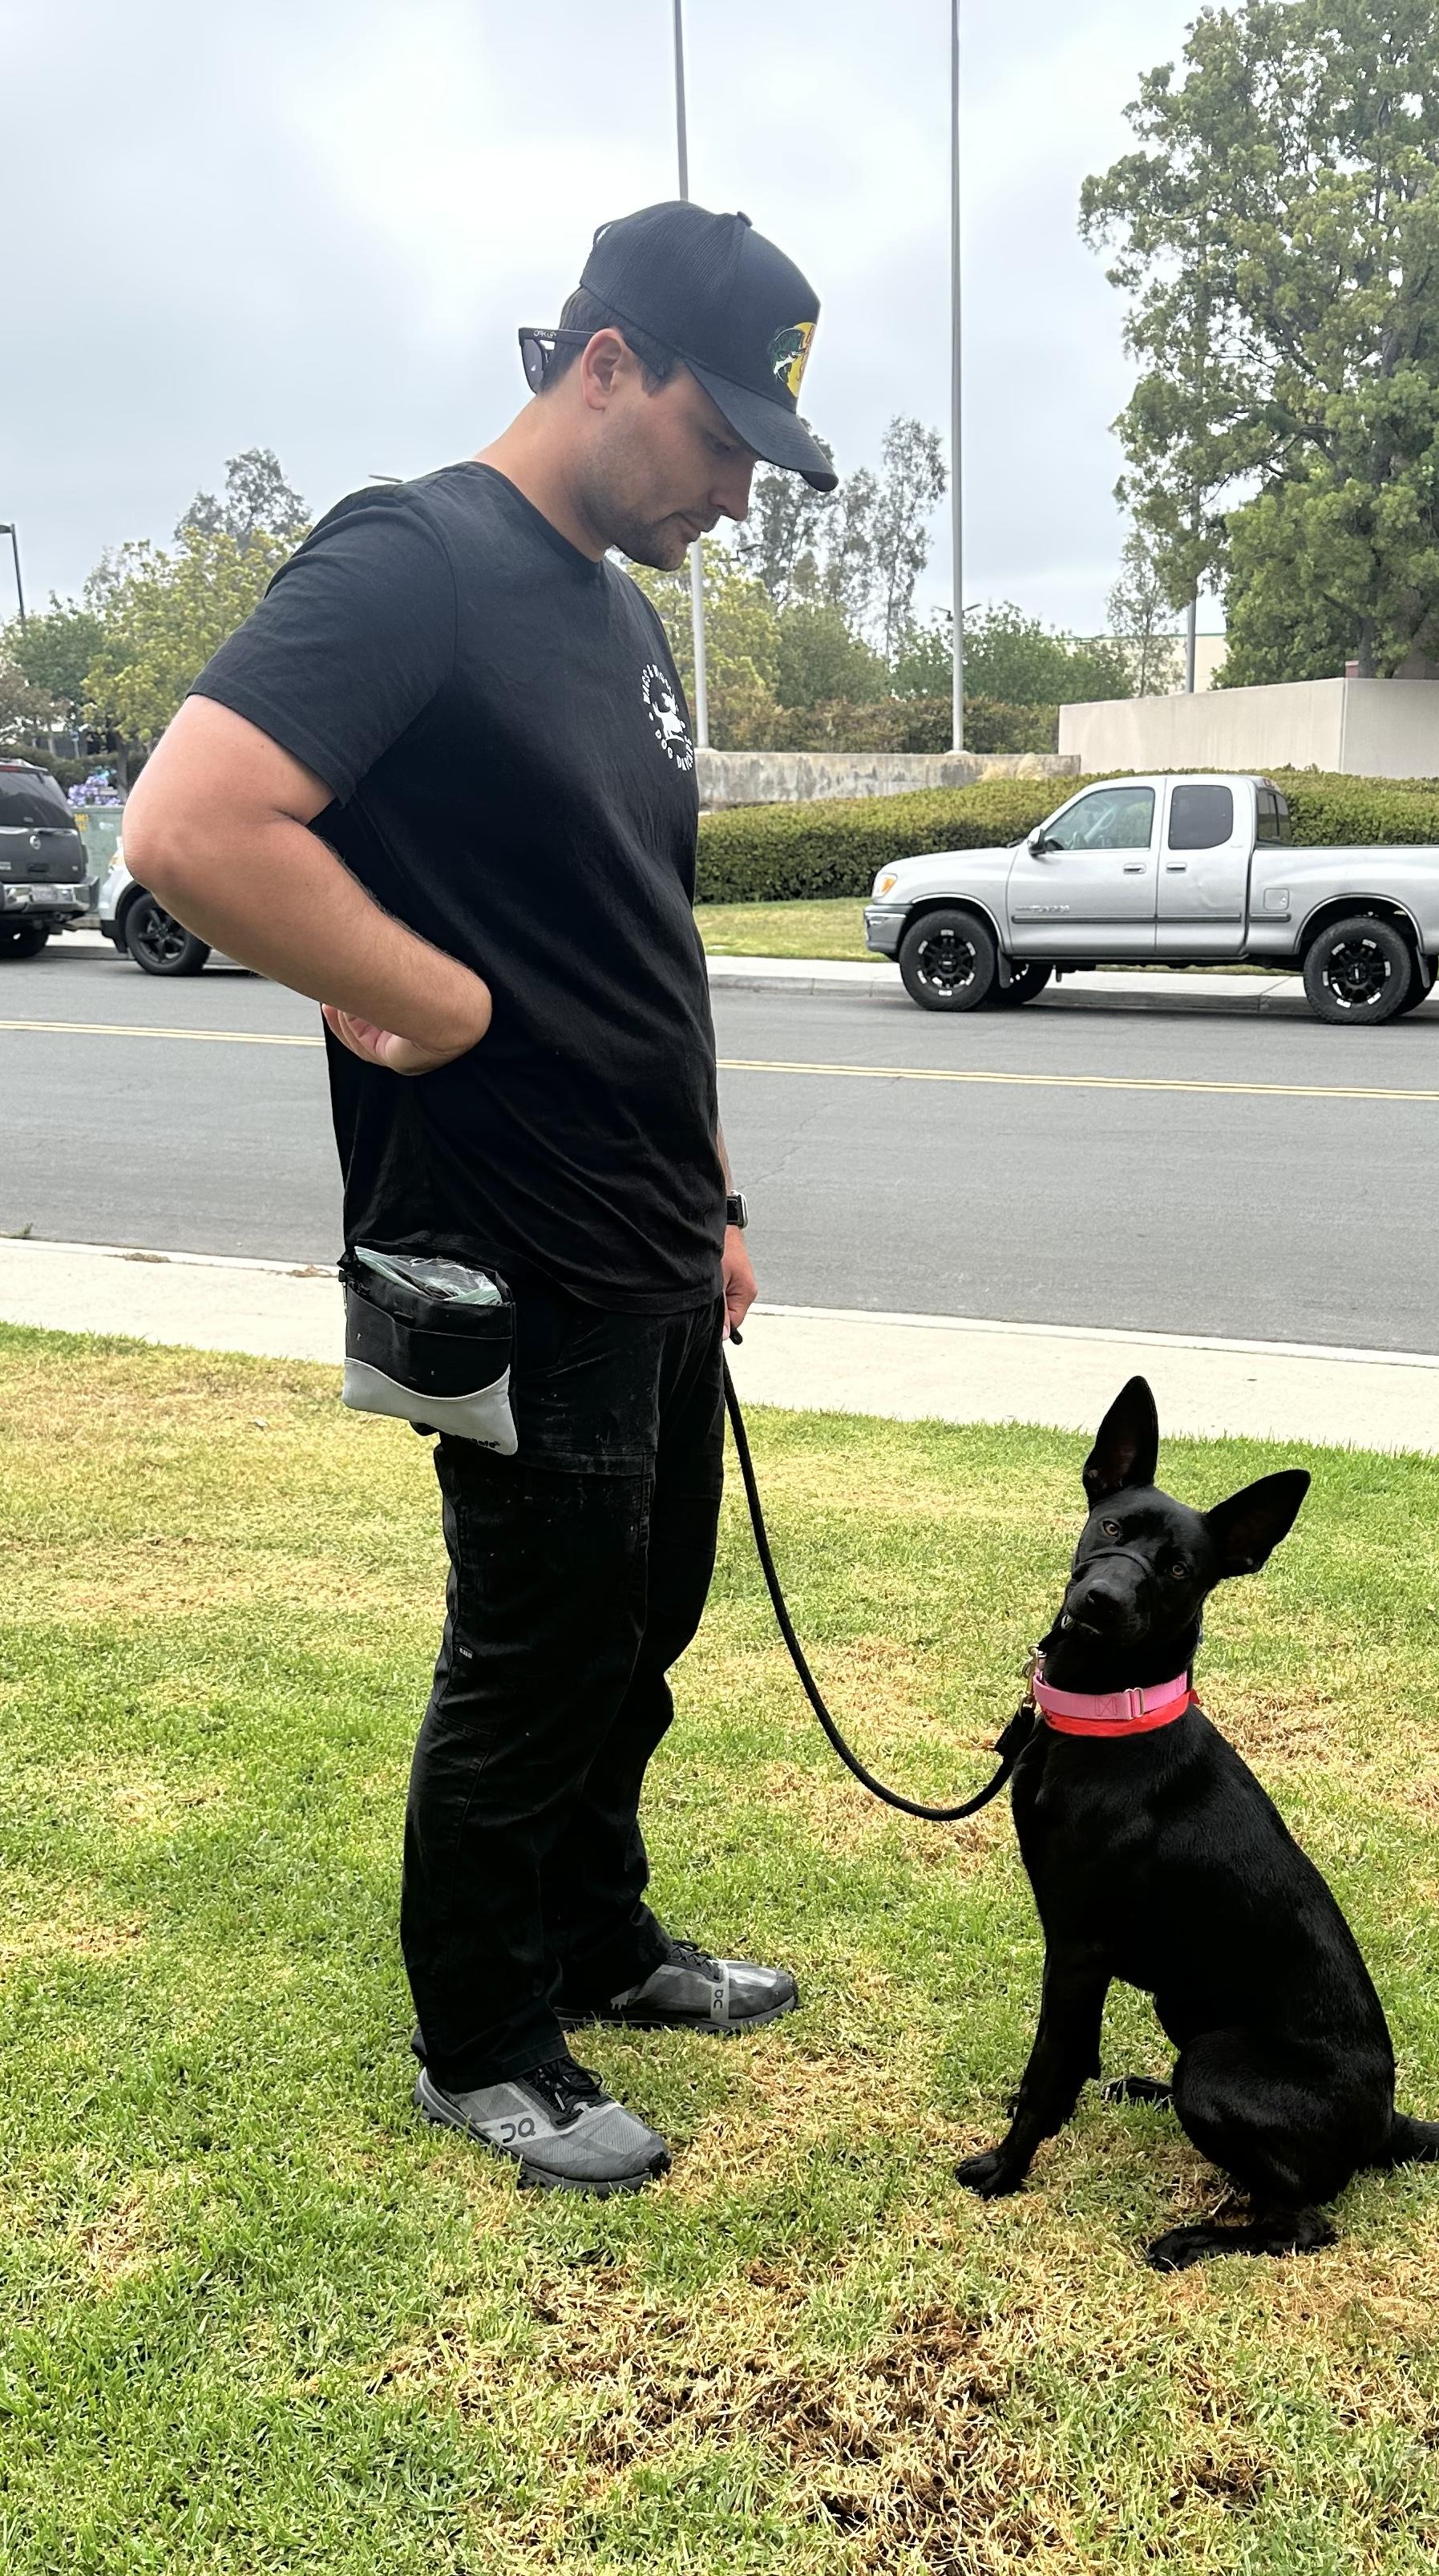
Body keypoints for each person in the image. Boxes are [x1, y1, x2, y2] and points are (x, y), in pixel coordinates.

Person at [123, 203, 839, 2195]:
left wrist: (717, 1189)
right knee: (534, 1642)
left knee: (648, 1613)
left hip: (648, 1227)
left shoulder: (615, 614)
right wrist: (403, 985)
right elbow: (192, 820)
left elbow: (638, 930)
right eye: (720, 444)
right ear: (603, 362)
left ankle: (599, 1940)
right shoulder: (411, 557)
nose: (733, 496)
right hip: (508, 1238)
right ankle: (483, 2036)